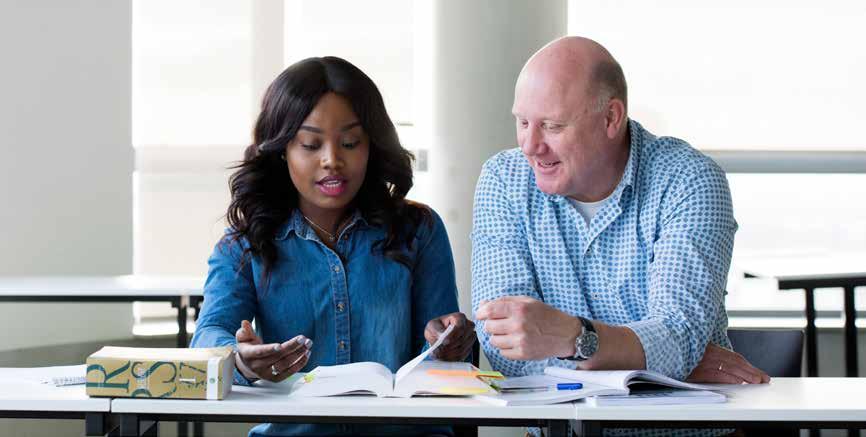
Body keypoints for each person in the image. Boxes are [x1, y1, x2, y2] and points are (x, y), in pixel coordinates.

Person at [191, 56, 475, 437]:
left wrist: (452, 343)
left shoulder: (417, 230)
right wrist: (240, 360)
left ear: (371, 145)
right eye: (310, 144)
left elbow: (448, 362)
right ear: (282, 150)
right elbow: (206, 341)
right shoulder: (244, 244)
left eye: (350, 142)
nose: (332, 160)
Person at [472, 37, 770, 386]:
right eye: (522, 122)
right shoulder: (504, 180)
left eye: (552, 126)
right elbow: (504, 345)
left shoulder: (689, 180)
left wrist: (573, 338)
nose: (530, 145)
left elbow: (678, 335)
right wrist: (650, 367)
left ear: (611, 118)